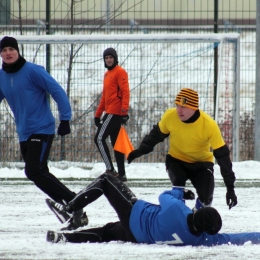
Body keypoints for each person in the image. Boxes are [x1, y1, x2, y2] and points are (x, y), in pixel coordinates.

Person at [0, 36, 88, 230]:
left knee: (33, 170)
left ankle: (75, 202)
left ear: (18, 51)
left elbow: (56, 90)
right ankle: (70, 207)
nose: (8, 53)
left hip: (42, 128)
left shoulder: (33, 71)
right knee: (37, 173)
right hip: (24, 132)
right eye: (4, 50)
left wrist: (65, 118)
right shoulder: (1, 77)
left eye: (11, 49)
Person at [46, 173, 260, 246]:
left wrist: (181, 194)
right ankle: (64, 238)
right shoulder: (201, 240)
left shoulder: (177, 210)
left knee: (106, 180)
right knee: (106, 232)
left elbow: (164, 196)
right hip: (137, 237)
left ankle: (70, 208)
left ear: (196, 212)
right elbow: (236, 237)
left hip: (134, 213)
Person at [127, 88, 237, 211]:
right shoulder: (170, 116)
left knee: (206, 199)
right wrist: (141, 150)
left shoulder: (209, 125)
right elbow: (156, 135)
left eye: (184, 107)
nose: (179, 110)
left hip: (201, 164)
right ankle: (180, 211)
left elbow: (223, 157)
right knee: (178, 185)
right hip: (176, 160)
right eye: (177, 105)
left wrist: (230, 189)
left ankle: (198, 215)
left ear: (194, 108)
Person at [94, 47, 130, 182]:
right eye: (106, 58)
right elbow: (105, 96)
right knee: (116, 143)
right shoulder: (107, 74)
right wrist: (98, 114)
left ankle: (110, 169)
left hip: (115, 113)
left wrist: (124, 111)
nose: (109, 60)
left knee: (98, 138)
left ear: (115, 59)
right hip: (109, 112)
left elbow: (125, 92)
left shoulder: (120, 72)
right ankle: (122, 174)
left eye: (111, 57)